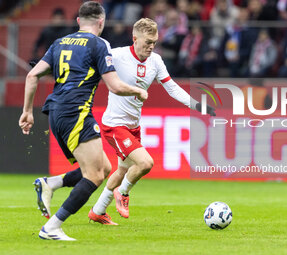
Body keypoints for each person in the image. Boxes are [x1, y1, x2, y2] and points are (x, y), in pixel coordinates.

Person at [33, 18, 215, 226]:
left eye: (154, 42)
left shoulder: (155, 61)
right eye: (147, 42)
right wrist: (46, 68)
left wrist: (199, 106)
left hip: (133, 126)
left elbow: (172, 88)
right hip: (114, 124)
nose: (151, 46)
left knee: (120, 170)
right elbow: (81, 61)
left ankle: (98, 211)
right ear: (135, 38)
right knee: (145, 163)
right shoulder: (116, 55)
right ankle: (123, 192)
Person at [19, 1, 147, 241]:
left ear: (78, 22)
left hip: (55, 112)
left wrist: (27, 112)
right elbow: (116, 87)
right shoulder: (98, 45)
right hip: (75, 112)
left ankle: (51, 184)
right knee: (96, 175)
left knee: (105, 168)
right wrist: (138, 91)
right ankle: (52, 227)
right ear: (101, 22)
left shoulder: (60, 42)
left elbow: (33, 74)